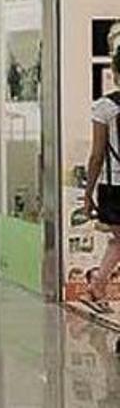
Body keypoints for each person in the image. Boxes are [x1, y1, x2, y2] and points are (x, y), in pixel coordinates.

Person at [85, 47, 120, 313]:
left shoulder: (104, 107)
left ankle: (97, 284)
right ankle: (97, 284)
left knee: (118, 239)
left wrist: (88, 192)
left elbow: (97, 155)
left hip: (114, 186)